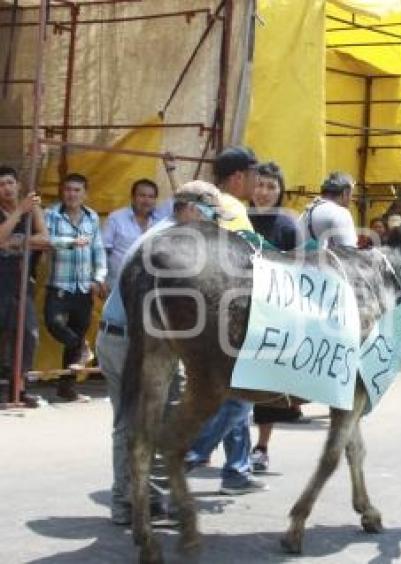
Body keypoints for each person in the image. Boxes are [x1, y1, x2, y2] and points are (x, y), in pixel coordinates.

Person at [97, 180, 227, 525]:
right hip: (135, 342)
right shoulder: (172, 245)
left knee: (140, 423)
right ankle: (137, 504)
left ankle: (137, 501)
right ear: (194, 209)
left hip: (130, 339)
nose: (216, 225)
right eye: (214, 215)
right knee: (145, 422)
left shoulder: (164, 236)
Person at [183, 147, 267, 495]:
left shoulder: (198, 201)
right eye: (253, 176)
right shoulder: (229, 208)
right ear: (237, 177)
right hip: (224, 317)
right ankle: (186, 455)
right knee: (240, 395)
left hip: (199, 315)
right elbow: (239, 260)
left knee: (234, 395)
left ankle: (236, 470)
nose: (257, 184)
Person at [246, 161, 301, 474]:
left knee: (264, 387)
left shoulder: (287, 225)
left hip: (271, 315)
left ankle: (262, 446)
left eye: (271, 187)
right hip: (233, 309)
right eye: (260, 185)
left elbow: (298, 270)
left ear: (280, 191)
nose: (264, 192)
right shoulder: (236, 218)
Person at [44, 173, 108, 401]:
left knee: (76, 337)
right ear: (62, 192)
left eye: (77, 190)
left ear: (84, 194)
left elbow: (98, 251)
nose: (72, 194)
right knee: (54, 324)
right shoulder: (51, 214)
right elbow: (45, 240)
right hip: (59, 286)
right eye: (68, 189)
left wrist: (99, 278)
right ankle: (82, 347)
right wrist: (70, 242)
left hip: (84, 288)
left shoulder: (91, 217)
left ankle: (67, 388)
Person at [0, 165, 50, 408]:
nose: (7, 188)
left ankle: (19, 389)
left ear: (18, 184)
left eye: (10, 182)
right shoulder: (22, 209)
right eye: (1, 185)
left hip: (21, 281)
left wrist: (18, 240)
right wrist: (19, 211)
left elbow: (45, 239)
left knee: (28, 335)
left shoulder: (34, 208)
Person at [101, 178, 162, 290]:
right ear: (133, 198)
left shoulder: (160, 222)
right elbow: (103, 251)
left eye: (151, 196)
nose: (146, 200)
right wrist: (101, 279)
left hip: (147, 288)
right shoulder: (116, 218)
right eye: (142, 195)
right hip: (117, 285)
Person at [297, 171, 358, 249]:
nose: (351, 199)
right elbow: (350, 254)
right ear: (345, 192)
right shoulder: (340, 213)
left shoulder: (306, 212)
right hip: (322, 260)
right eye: (351, 194)